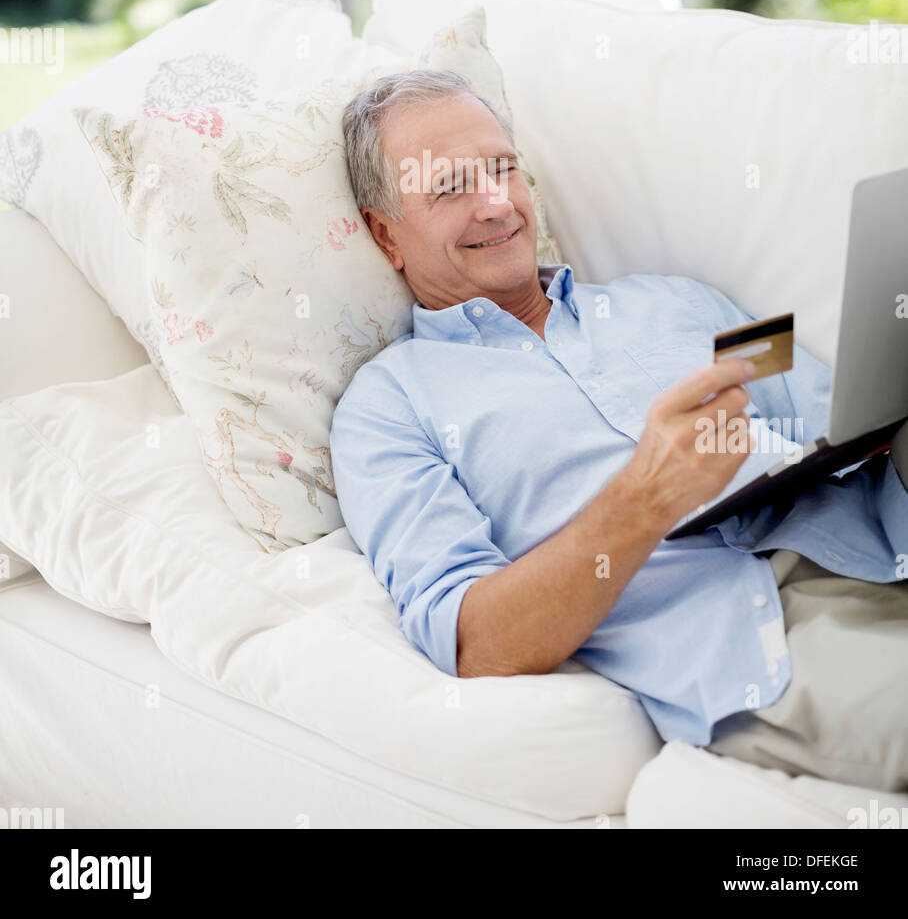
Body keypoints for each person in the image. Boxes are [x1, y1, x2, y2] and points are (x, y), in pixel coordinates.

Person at [330, 69, 908, 791]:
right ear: (386, 234)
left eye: (503, 168)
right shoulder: (385, 408)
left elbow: (843, 407)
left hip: (885, 535)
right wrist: (644, 497)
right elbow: (475, 640)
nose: (496, 205)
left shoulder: (678, 299)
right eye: (450, 187)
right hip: (766, 641)